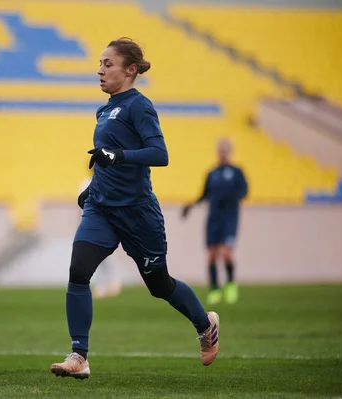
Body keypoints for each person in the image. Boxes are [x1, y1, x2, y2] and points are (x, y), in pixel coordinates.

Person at [50, 38, 219, 380]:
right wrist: (93, 190)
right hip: (102, 209)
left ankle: (206, 325)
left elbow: (161, 155)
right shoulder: (104, 109)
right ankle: (79, 356)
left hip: (137, 212)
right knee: (78, 271)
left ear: (130, 70)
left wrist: (121, 156)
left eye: (108, 64)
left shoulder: (139, 106)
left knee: (160, 285)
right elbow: (105, 160)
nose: (99, 70)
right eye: (99, 63)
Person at [181, 138, 248, 305]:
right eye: (221, 151)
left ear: (230, 152)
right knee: (211, 254)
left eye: (226, 151)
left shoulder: (237, 172)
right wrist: (191, 206)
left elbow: (244, 191)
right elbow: (204, 194)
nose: (223, 154)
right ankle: (214, 289)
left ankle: (231, 284)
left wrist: (231, 198)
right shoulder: (212, 173)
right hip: (213, 218)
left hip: (229, 217)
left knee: (227, 253)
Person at [78, 174, 122, 299]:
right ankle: (105, 284)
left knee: (104, 255)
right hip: (93, 223)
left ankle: (111, 283)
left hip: (102, 224)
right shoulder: (86, 182)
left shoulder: (105, 182)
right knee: (97, 257)